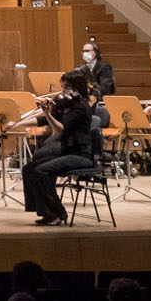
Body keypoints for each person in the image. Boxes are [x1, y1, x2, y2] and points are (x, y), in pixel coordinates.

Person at [22, 71, 96, 226]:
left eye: (67, 87)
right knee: (29, 168)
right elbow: (44, 119)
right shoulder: (67, 104)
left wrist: (48, 113)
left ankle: (59, 212)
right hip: (67, 150)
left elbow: (60, 129)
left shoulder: (81, 108)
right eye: (62, 87)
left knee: (41, 171)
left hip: (80, 154)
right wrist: (17, 124)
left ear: (77, 88)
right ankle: (46, 212)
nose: (63, 91)